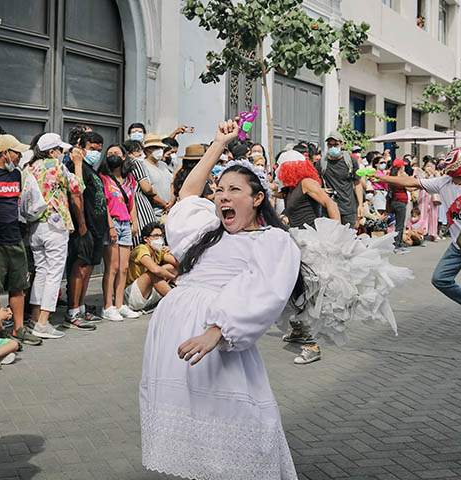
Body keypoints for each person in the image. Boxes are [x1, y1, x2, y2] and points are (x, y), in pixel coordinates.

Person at [140, 118, 302, 479]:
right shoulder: (210, 232)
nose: (223, 196)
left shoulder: (272, 241)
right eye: (220, 190)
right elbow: (186, 197)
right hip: (175, 334)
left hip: (217, 340)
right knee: (191, 426)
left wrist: (217, 330)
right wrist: (218, 144)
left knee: (239, 420)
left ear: (258, 198)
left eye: (235, 191)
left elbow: (265, 292)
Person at [374, 148, 461, 343]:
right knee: (440, 279)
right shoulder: (443, 182)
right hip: (457, 244)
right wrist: (383, 178)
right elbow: (412, 182)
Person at [0, 134, 43, 346]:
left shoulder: (16, 175)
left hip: (14, 238)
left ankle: (19, 329)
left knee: (19, 286)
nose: (20, 157)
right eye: (16, 153)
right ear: (5, 153)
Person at [276, 150, 340, 365]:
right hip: (294, 242)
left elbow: (331, 204)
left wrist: (337, 235)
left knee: (310, 293)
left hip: (309, 243)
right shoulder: (291, 188)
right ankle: (298, 330)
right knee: (290, 289)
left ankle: (312, 344)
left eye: (280, 167)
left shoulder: (306, 183)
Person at [24, 132, 87, 337]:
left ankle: (35, 318)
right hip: (55, 224)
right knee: (53, 274)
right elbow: (78, 187)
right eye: (60, 150)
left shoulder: (30, 167)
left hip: (35, 225)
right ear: (52, 152)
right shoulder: (56, 166)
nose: (62, 153)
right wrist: (78, 165)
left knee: (41, 271)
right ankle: (43, 322)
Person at [64, 131, 107, 325]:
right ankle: (72, 311)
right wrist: (81, 225)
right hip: (84, 227)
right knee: (79, 268)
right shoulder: (75, 167)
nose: (96, 153)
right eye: (92, 149)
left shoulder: (91, 169)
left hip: (97, 228)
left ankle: (81, 307)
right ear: (80, 148)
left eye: (99, 150)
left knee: (88, 269)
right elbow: (76, 193)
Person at [98, 144, 141, 321]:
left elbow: (131, 203)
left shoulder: (130, 179)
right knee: (113, 267)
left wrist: (135, 222)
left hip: (126, 224)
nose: (113, 156)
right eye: (109, 154)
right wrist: (111, 226)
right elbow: (104, 205)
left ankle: (119, 304)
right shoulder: (103, 178)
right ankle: (107, 306)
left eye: (116, 153)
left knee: (124, 267)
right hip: (113, 223)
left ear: (124, 157)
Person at [125, 222, 178, 312]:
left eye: (161, 236)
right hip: (132, 297)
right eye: (156, 236)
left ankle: (185, 292)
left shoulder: (158, 250)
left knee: (169, 267)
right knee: (152, 274)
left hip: (149, 293)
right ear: (146, 239)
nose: (160, 239)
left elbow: (178, 264)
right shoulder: (141, 249)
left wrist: (173, 250)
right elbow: (155, 269)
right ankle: (177, 300)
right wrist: (173, 277)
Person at [319, 131, 363, 227]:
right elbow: (313, 183)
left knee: (348, 238)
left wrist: (360, 204)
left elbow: (357, 183)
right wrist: (321, 190)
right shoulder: (321, 163)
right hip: (329, 209)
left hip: (348, 209)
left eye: (336, 144)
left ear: (342, 144)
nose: (333, 148)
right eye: (330, 145)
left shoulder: (351, 161)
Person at [139, 133, 173, 217]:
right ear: (147, 150)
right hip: (154, 213)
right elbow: (148, 192)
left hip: (169, 211)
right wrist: (165, 204)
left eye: (161, 148)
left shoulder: (163, 165)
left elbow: (172, 184)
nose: (160, 150)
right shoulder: (142, 166)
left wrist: (172, 202)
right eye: (156, 148)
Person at [389, 158, 411, 254]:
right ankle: (397, 244)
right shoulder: (402, 175)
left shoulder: (391, 175)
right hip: (401, 201)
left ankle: (397, 243)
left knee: (395, 224)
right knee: (400, 224)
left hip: (393, 201)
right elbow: (409, 187)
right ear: (401, 166)